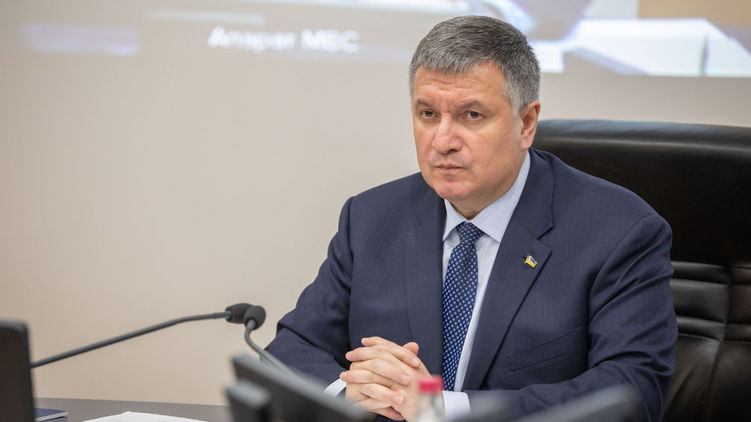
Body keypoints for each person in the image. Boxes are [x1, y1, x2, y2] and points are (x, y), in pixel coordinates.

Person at [266, 15, 676, 422]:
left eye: (471, 115)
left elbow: (633, 392)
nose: (442, 141)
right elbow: (289, 351)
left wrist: (439, 408)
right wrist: (348, 392)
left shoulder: (619, 232)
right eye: (428, 114)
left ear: (526, 123)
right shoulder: (371, 217)